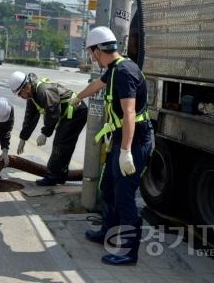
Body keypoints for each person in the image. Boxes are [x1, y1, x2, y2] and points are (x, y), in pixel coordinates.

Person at [69, 26, 153, 266]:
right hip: (122, 140)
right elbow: (98, 84)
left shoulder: (125, 72)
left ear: (97, 51)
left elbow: (128, 114)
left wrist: (126, 152)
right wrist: (78, 97)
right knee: (107, 188)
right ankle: (108, 232)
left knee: (125, 197)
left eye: (90, 52)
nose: (90, 56)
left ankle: (129, 251)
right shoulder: (114, 69)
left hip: (134, 143)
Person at [8, 70, 88, 186]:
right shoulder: (32, 96)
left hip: (76, 112)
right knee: (61, 144)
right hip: (69, 115)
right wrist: (23, 138)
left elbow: (53, 111)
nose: (21, 97)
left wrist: (45, 133)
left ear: (26, 87)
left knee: (61, 144)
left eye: (20, 94)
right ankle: (59, 176)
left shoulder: (43, 90)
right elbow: (30, 118)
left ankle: (53, 177)